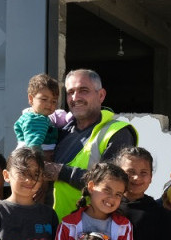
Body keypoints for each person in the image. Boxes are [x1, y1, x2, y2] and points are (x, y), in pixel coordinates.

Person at [45, 68, 138, 220]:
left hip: (93, 232)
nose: (76, 97)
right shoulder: (60, 131)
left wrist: (61, 172)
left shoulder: (117, 133)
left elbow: (112, 185)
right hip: (55, 229)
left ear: (101, 95)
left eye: (83, 90)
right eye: (70, 92)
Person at [14, 73, 60, 159]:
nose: (49, 104)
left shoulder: (39, 116)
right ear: (31, 99)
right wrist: (41, 163)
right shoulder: (35, 119)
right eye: (44, 99)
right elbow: (33, 147)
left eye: (54, 101)